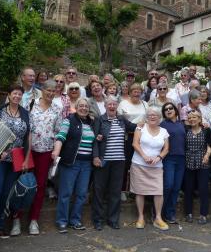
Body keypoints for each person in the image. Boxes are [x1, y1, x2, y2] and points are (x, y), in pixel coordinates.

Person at [18, 80, 62, 236]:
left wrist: (56, 151)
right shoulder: (30, 104)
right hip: (27, 151)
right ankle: (16, 218)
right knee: (22, 183)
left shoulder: (57, 109)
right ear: (42, 90)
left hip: (45, 151)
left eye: (53, 91)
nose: (50, 93)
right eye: (48, 90)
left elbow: (58, 132)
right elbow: (22, 126)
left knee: (40, 186)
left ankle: (34, 220)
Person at [0, 84, 31, 240]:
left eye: (20, 94)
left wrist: (26, 159)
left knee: (6, 193)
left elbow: (28, 137)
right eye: (15, 93)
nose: (17, 96)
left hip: (17, 159)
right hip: (0, 158)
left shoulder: (25, 113)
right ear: (9, 95)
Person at [92, 97, 137, 230]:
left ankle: (113, 219)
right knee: (99, 191)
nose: (112, 106)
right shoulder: (100, 119)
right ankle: (98, 220)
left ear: (117, 106)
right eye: (109, 104)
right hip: (103, 160)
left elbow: (134, 127)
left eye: (114, 104)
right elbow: (94, 139)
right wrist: (95, 156)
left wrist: (148, 122)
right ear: (105, 106)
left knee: (115, 191)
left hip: (119, 161)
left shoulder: (121, 119)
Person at [52, 98, 96, 232]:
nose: (84, 108)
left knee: (82, 194)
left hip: (87, 164)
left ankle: (75, 220)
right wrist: (56, 150)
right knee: (66, 193)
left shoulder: (92, 122)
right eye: (81, 106)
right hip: (71, 162)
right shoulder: (69, 120)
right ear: (76, 107)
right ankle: (62, 221)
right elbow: (61, 136)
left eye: (86, 106)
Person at [130, 107, 169, 231]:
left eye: (155, 115)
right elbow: (135, 143)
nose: (152, 117)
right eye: (150, 115)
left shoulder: (164, 131)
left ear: (159, 118)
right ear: (147, 117)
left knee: (158, 192)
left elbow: (166, 149)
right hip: (139, 164)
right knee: (140, 191)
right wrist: (144, 156)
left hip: (156, 166)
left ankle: (158, 218)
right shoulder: (140, 128)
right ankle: (140, 217)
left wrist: (159, 157)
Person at [184, 110, 211, 225]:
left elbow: (209, 145)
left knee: (203, 189)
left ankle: (203, 214)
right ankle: (188, 213)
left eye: (194, 117)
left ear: (200, 119)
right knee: (188, 189)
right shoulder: (185, 130)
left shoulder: (206, 130)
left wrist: (207, 155)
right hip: (188, 162)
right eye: (190, 117)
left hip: (203, 162)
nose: (192, 119)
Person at [160, 102, 185, 224]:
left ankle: (170, 214)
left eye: (171, 108)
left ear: (175, 110)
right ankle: (159, 213)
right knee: (168, 186)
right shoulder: (163, 125)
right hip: (168, 158)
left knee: (176, 188)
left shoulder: (182, 124)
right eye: (166, 109)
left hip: (181, 159)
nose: (168, 110)